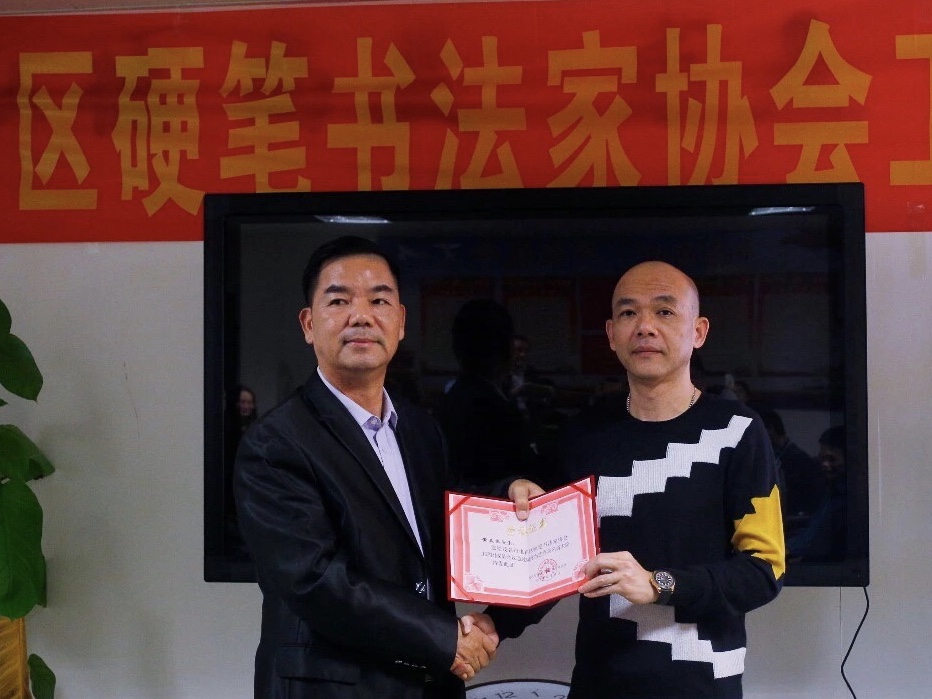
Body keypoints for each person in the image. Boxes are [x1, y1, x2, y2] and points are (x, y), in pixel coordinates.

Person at [233, 236, 543, 699]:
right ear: (309, 324)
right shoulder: (274, 443)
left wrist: (510, 493)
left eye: (378, 300)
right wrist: (445, 638)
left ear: (400, 322)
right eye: (339, 300)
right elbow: (316, 580)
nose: (361, 316)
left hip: (429, 683)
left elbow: (444, 513)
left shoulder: (419, 428)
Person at [498, 261, 786, 698]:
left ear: (699, 332)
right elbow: (549, 563)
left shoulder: (738, 431)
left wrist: (659, 584)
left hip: (701, 688)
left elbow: (764, 570)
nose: (645, 326)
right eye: (629, 313)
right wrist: (490, 625)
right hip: (599, 683)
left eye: (665, 312)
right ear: (611, 334)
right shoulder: (582, 435)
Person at [434, 300, 552, 488]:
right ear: (507, 349)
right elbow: (527, 474)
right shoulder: (498, 412)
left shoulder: (448, 403)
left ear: (456, 349)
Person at [787, 425, 847, 562]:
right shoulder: (830, 490)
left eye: (831, 459)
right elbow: (813, 529)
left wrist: (784, 548)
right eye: (822, 458)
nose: (824, 464)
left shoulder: (845, 499)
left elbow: (814, 542)